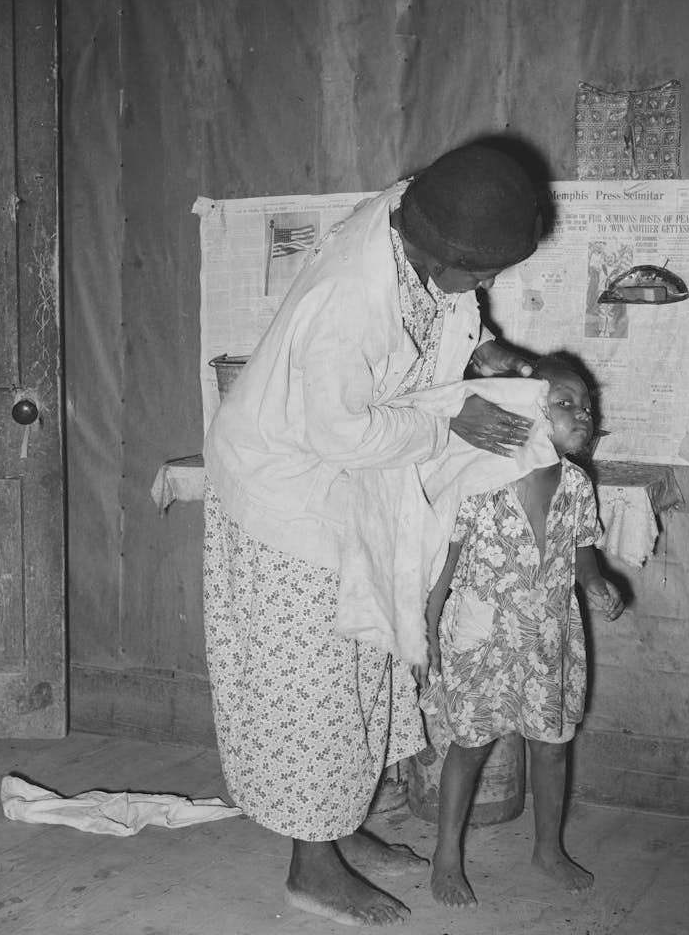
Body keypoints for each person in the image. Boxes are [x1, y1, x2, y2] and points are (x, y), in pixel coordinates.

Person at [202, 142, 542, 926]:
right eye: (484, 273)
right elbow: (339, 432)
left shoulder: (411, 221)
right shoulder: (350, 301)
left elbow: (444, 318)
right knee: (315, 687)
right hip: (288, 500)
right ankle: (311, 866)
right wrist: (450, 420)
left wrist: (488, 356)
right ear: (445, 254)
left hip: (343, 488)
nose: (486, 286)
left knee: (364, 664)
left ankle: (340, 825)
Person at [421, 355, 625, 909]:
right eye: (565, 403)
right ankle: (446, 856)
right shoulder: (480, 479)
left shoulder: (577, 485)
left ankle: (548, 850)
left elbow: (582, 551)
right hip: (481, 637)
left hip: (547, 637)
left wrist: (596, 582)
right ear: (526, 409)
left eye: (586, 407)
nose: (582, 415)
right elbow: (445, 563)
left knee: (551, 747)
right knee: (469, 746)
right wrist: (427, 630)